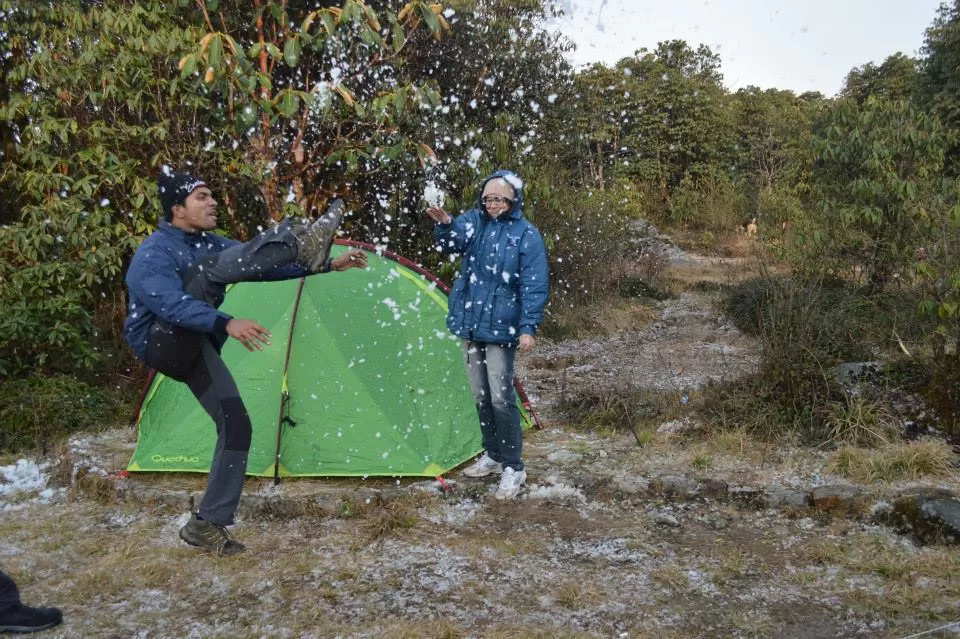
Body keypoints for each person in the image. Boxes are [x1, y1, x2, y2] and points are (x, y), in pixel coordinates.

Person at [124, 169, 368, 556]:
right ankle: (296, 239)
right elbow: (170, 305)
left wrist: (323, 266)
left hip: (195, 344)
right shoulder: (153, 253)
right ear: (177, 209)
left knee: (236, 423)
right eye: (202, 197)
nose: (212, 202)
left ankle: (207, 524)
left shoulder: (207, 243)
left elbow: (256, 267)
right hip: (163, 341)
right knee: (211, 265)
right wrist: (227, 322)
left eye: (210, 196)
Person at [425, 170, 548, 499]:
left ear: (513, 200)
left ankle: (513, 466)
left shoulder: (526, 235)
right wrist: (446, 223)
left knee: (500, 397)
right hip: (471, 323)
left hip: (503, 327)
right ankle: (493, 454)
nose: (492, 204)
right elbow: (451, 244)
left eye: (499, 199)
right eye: (488, 198)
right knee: (480, 396)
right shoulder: (474, 221)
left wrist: (527, 327)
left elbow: (534, 285)